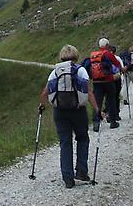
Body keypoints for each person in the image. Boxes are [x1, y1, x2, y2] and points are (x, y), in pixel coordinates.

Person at [39, 44, 101, 188]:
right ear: (76, 56)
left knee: (65, 142)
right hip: (78, 110)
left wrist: (41, 106)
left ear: (61, 57)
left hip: (59, 111)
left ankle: (67, 178)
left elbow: (44, 93)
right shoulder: (80, 70)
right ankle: (81, 171)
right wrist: (97, 109)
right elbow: (89, 92)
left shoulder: (55, 72)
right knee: (82, 138)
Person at [83, 38, 122, 131]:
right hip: (108, 81)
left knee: (97, 102)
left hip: (96, 82)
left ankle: (96, 123)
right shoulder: (108, 54)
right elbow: (117, 64)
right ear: (107, 45)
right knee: (111, 100)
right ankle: (112, 121)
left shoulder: (93, 55)